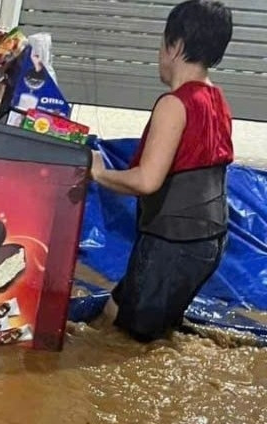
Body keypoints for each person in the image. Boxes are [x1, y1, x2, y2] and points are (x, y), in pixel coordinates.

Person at [91, 0, 234, 343]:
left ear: (176, 46)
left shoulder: (175, 104)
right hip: (210, 240)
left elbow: (146, 180)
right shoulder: (216, 98)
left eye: (161, 43)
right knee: (116, 309)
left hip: (173, 243)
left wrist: (97, 173)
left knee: (130, 343)